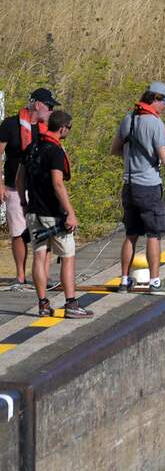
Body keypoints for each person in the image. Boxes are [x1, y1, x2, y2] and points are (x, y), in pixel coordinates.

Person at [110, 82, 165, 295]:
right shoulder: (155, 124)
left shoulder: (128, 119)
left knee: (130, 234)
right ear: (156, 98)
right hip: (148, 187)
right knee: (154, 235)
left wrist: (133, 159)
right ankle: (155, 282)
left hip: (129, 186)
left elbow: (114, 150)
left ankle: (123, 281)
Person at [16, 110, 91, 318]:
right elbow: (58, 183)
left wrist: (23, 202)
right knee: (68, 256)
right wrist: (70, 213)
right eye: (70, 128)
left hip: (33, 212)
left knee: (39, 256)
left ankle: (42, 304)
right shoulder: (55, 152)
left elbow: (19, 179)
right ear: (63, 128)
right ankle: (71, 304)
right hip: (53, 214)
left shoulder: (32, 147)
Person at [0, 88, 58, 289]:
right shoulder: (10, 124)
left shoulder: (47, 127)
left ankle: (44, 274)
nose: (51, 111)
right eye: (49, 106)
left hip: (40, 187)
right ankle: (20, 276)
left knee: (45, 229)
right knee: (18, 232)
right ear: (38, 104)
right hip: (14, 187)